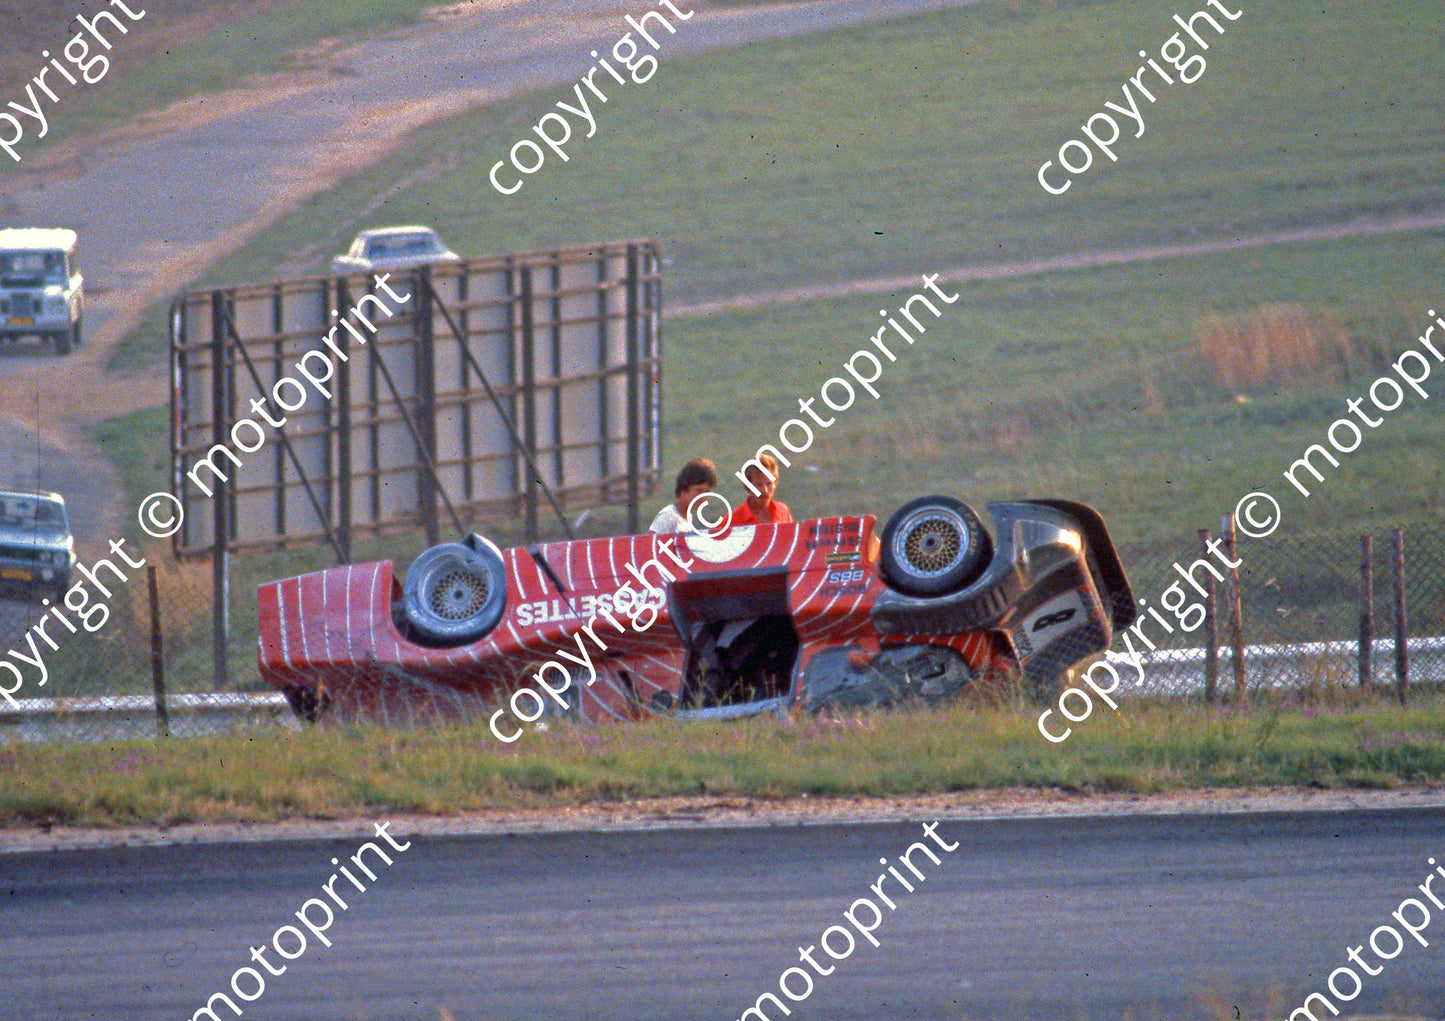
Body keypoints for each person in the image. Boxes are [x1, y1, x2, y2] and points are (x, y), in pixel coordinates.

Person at [648, 457, 717, 533]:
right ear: (684, 488)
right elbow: (651, 539)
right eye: (698, 491)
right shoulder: (669, 515)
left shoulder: (688, 517)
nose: (702, 497)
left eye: (706, 492)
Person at [730, 453, 792, 525]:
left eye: (769, 483)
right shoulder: (731, 521)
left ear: (775, 483)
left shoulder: (783, 512)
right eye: (758, 484)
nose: (764, 490)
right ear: (748, 485)